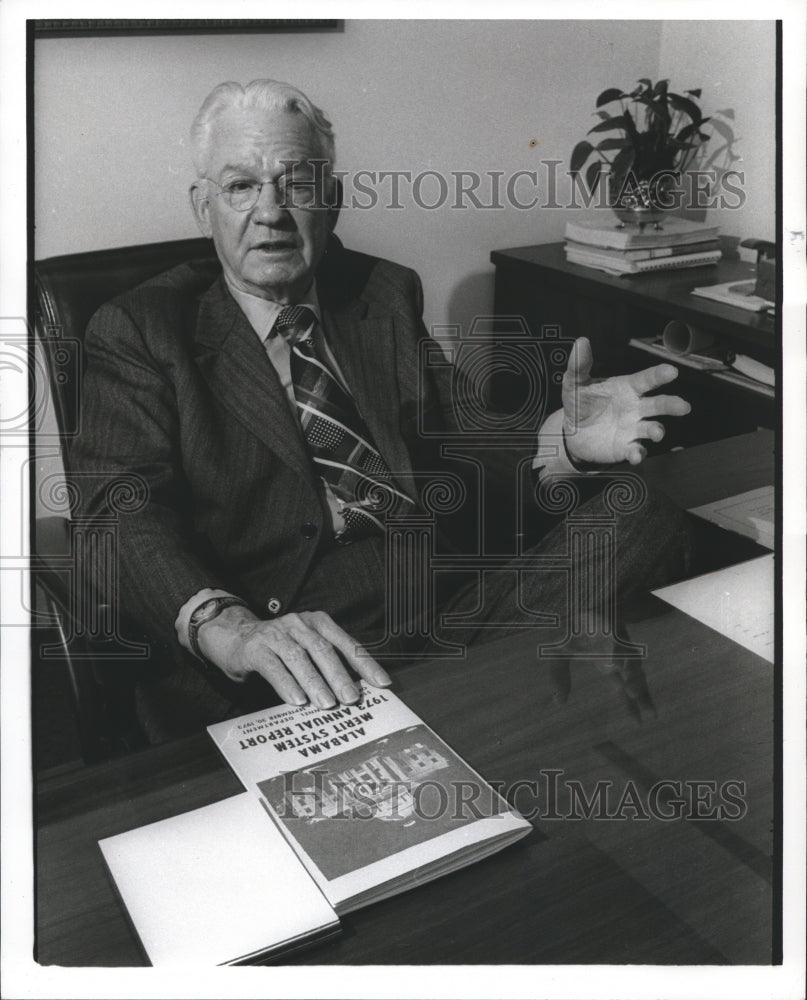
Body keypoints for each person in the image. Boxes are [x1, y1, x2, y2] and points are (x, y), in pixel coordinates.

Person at [71, 79, 691, 740]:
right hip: (298, 642)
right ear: (204, 207)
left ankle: (454, 718)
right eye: (240, 186)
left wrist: (560, 442)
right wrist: (230, 626)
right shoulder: (142, 329)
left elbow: (466, 434)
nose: (271, 212)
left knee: (644, 515)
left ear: (332, 201)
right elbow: (117, 509)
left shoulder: (380, 294)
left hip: (448, 604)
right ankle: (479, 717)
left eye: (298, 184)